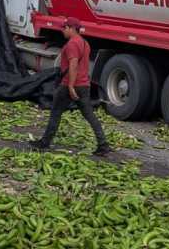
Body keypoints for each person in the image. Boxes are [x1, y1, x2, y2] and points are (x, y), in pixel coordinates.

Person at [31, 17, 110, 156]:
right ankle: (103, 144)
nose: (63, 30)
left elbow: (73, 65)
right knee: (90, 115)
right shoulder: (85, 43)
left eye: (65, 28)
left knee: (55, 113)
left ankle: (44, 143)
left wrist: (71, 86)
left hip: (69, 85)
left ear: (72, 29)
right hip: (84, 85)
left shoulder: (72, 44)